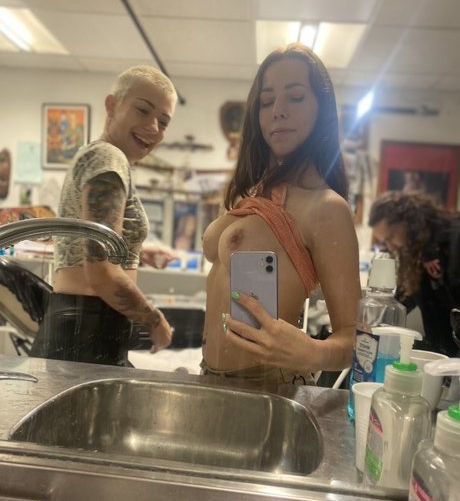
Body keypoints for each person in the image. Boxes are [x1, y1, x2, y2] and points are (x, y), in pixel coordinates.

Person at [201, 43, 361, 393]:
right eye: (267, 101)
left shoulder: (326, 208)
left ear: (321, 109)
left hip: (269, 390)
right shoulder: (253, 192)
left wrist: (313, 352)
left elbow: (357, 339)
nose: (278, 111)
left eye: (296, 97)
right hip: (210, 380)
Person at [31, 65, 178, 366]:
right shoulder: (109, 158)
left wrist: (137, 250)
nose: (153, 127)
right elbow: (101, 272)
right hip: (86, 330)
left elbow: (89, 242)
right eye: (143, 110)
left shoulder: (98, 155)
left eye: (163, 121)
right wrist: (154, 320)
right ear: (113, 105)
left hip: (79, 328)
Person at [369, 191, 460, 356]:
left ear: (408, 222)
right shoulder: (414, 252)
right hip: (442, 354)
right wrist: (372, 329)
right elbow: (404, 298)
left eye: (391, 237)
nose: (391, 247)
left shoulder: (454, 237)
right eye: (385, 242)